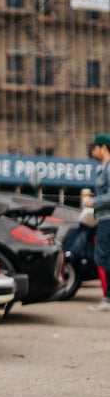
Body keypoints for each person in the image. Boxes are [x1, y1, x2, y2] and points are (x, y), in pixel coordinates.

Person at [85, 132, 110, 311]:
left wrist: (93, 202)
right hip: (103, 218)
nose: (92, 151)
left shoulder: (109, 168)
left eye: (95, 147)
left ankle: (108, 299)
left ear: (104, 148)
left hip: (108, 219)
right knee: (104, 257)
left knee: (103, 257)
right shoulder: (102, 168)